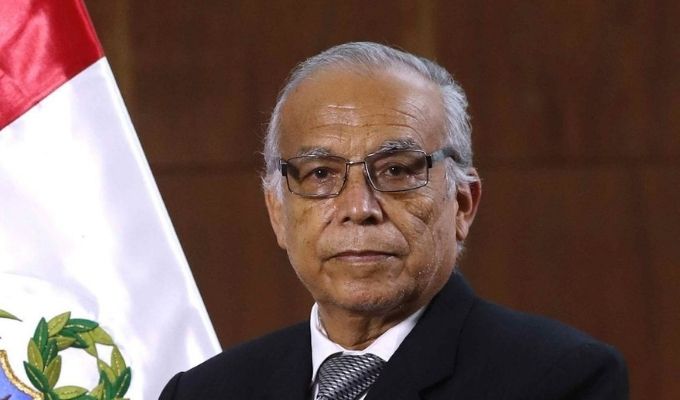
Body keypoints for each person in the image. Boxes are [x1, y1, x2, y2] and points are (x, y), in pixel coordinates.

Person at [159, 42, 628, 399]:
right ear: (277, 212)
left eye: (397, 171)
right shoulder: (203, 392)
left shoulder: (557, 379)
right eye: (321, 174)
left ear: (463, 204)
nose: (359, 207)